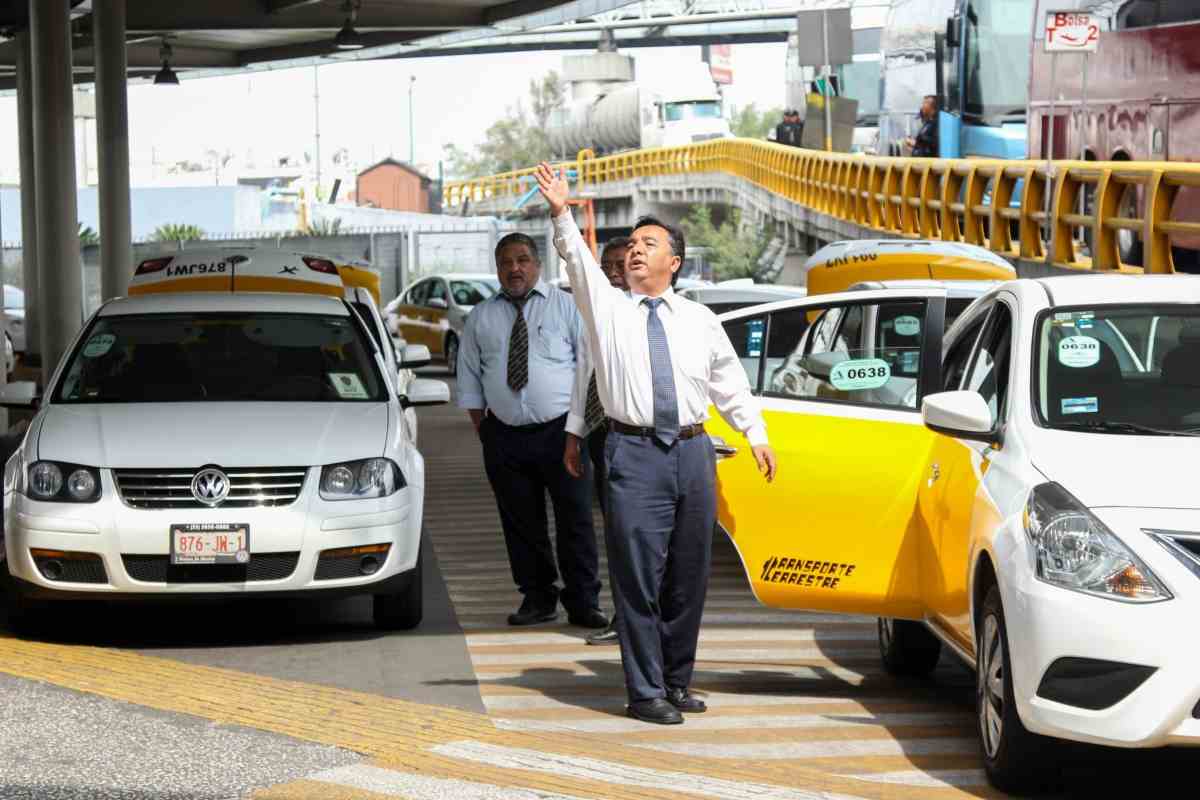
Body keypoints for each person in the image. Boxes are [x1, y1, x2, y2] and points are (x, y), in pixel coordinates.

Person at [534, 162, 778, 726]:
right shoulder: (608, 309)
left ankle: (675, 680)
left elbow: (728, 381)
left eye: (650, 244)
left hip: (695, 453)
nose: (637, 252)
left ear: (674, 261)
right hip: (635, 454)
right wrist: (560, 211)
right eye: (633, 245)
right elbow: (574, 255)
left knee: (688, 576)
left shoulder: (698, 318)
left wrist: (755, 433)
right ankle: (644, 692)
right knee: (638, 576)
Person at [457, 232, 609, 630]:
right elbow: (469, 378)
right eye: (506, 262)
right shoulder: (481, 317)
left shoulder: (566, 307)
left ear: (537, 265)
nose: (515, 269)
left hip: (563, 433)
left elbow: (587, 370)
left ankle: (583, 601)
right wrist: (486, 431)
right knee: (521, 523)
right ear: (497, 269)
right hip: (504, 435)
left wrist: (577, 431)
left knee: (574, 518)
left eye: (522, 260)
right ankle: (537, 597)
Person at [563, 236, 630, 646]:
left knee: (641, 535)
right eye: (607, 266)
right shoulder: (596, 315)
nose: (614, 272)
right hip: (602, 434)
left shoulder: (650, 314)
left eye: (621, 264)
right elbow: (584, 373)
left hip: (639, 436)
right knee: (616, 531)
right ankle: (624, 617)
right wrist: (574, 434)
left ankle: (646, 620)